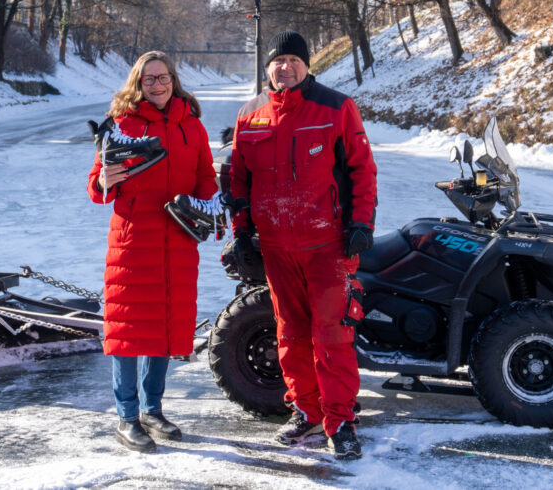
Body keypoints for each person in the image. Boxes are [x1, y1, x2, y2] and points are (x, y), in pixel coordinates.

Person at [228, 30, 377, 461]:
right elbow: (238, 180)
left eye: (294, 59)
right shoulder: (250, 115)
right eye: (278, 61)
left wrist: (361, 223)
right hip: (276, 246)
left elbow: (362, 170)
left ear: (307, 65)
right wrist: (241, 232)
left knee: (331, 335)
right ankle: (306, 411)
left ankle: (340, 419)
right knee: (290, 333)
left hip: (327, 244)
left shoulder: (335, 107)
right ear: (268, 68)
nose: (285, 67)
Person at [87, 51, 217, 453]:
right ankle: (126, 417)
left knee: (163, 328)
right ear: (138, 84)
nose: (157, 85)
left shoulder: (192, 127)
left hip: (177, 241)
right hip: (134, 241)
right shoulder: (122, 125)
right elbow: (95, 188)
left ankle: (152, 409)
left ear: (174, 81)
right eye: (149, 79)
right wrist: (104, 179)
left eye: (163, 78)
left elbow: (205, 178)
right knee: (128, 332)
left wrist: (212, 211)